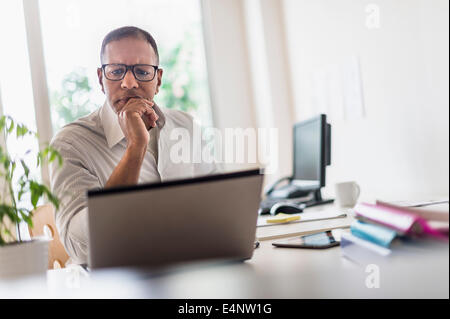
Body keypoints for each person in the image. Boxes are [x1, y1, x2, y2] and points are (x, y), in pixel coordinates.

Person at [49, 26, 220, 265]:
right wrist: (135, 147)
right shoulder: (70, 144)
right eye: (116, 71)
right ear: (101, 79)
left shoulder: (186, 126)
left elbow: (216, 206)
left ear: (158, 79)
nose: (129, 83)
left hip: (184, 267)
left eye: (141, 71)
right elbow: (82, 246)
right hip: (112, 280)